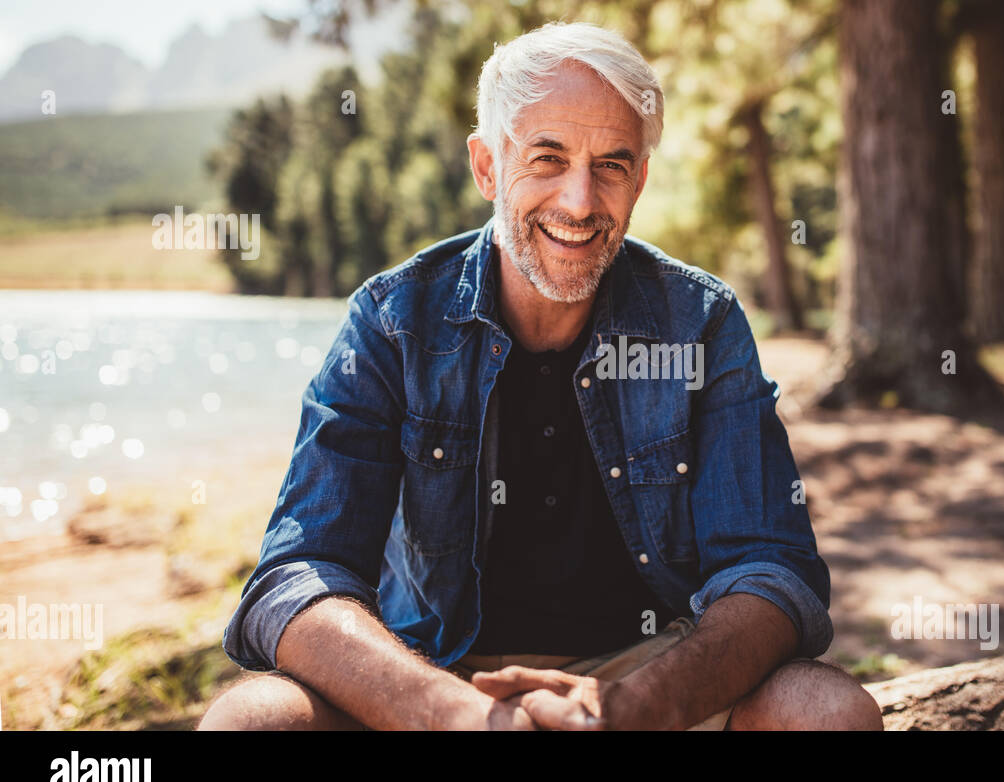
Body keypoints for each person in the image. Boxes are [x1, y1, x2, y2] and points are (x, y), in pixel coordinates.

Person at [199, 21, 881, 731]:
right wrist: (459, 715)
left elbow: (773, 571)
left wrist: (630, 708)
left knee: (825, 712)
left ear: (640, 179)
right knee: (252, 720)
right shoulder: (392, 322)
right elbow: (297, 576)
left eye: (612, 164)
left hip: (651, 676)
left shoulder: (701, 321)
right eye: (547, 158)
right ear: (487, 165)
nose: (581, 202)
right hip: (432, 676)